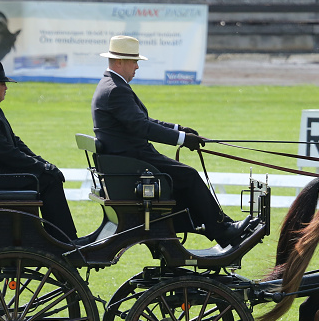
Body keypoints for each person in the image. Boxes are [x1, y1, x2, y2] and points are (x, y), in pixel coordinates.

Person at [91, 35, 250, 247]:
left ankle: (218, 226)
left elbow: (143, 121)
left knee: (183, 178)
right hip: (134, 160)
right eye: (134, 61)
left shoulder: (110, 85)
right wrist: (182, 139)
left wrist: (179, 130)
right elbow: (142, 127)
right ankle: (222, 229)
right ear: (119, 62)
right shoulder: (116, 89)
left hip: (132, 158)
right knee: (189, 176)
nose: (137, 67)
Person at [0, 60, 78, 242]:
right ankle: (65, 240)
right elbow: (8, 154)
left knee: (47, 174)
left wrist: (42, 163)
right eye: (2, 83)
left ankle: (60, 238)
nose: (6, 87)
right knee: (48, 180)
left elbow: (15, 143)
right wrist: (44, 170)